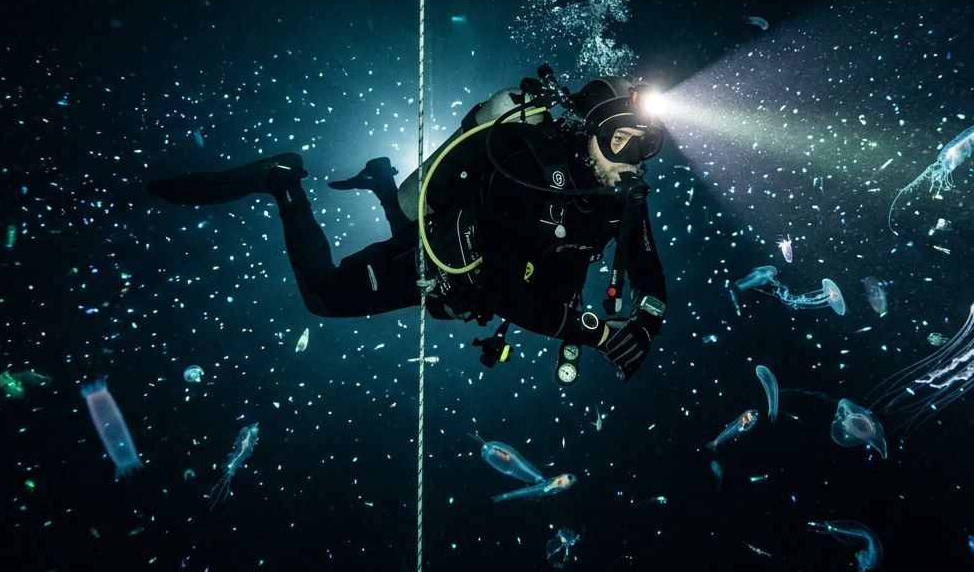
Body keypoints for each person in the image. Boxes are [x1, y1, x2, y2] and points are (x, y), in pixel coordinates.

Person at [147, 68, 669, 383]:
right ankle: (282, 182)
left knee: (407, 225)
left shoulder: (621, 195)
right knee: (323, 297)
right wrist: (598, 333)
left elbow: (649, 272)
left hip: (470, 274)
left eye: (646, 148)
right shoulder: (529, 169)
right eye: (622, 140)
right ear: (587, 132)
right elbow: (506, 291)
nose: (632, 160)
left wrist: (644, 325)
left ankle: (380, 178)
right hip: (440, 265)